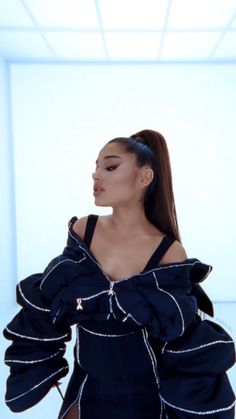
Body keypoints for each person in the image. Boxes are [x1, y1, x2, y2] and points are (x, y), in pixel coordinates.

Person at [3, 129, 235, 419]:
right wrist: (39, 368)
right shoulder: (83, 230)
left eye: (110, 167)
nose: (96, 175)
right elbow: (48, 302)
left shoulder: (168, 251)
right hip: (86, 387)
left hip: (145, 396)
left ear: (144, 178)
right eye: (96, 167)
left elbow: (180, 338)